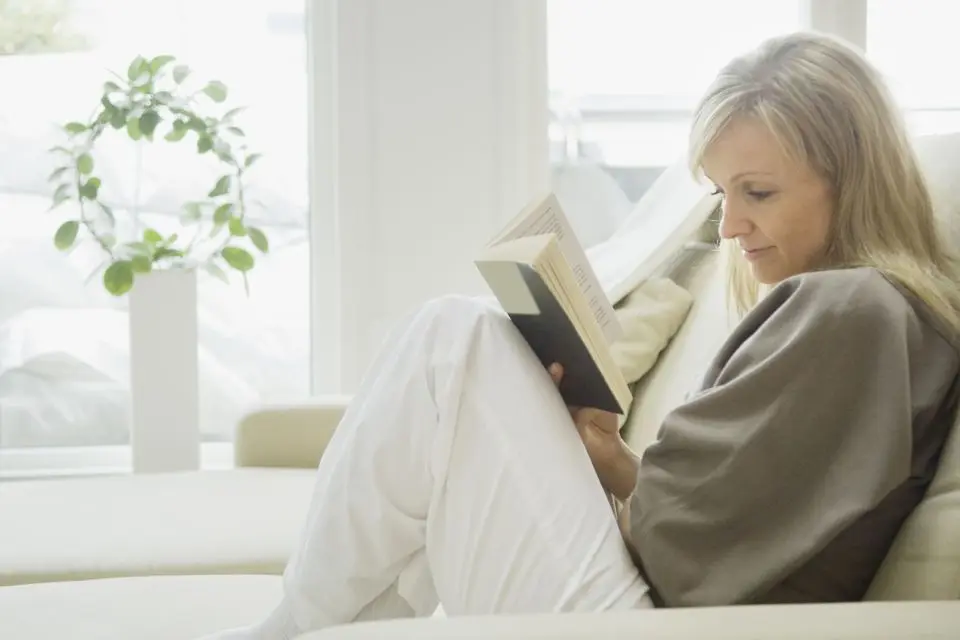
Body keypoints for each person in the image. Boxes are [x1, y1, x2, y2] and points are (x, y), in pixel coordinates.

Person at [202, 31, 960, 638]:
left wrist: (612, 470)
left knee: (453, 339)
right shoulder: (868, 315)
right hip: (673, 607)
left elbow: (688, 547)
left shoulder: (854, 313)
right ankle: (311, 628)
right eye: (722, 195)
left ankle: (290, 627)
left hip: (680, 624)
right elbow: (732, 511)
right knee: (454, 354)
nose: (730, 227)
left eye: (757, 193)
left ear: (851, 176)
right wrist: (606, 461)